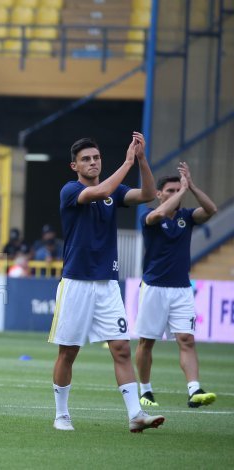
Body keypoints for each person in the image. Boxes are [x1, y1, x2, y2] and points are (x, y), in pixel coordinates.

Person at [49, 133, 165, 433]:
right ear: (74, 165)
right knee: (68, 352)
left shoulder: (115, 190)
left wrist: (141, 160)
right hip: (76, 283)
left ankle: (136, 415)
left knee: (121, 348)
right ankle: (61, 414)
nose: (92, 162)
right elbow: (100, 191)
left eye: (96, 157)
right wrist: (127, 161)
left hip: (108, 283)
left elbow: (150, 194)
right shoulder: (70, 190)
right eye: (86, 159)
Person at [135, 163, 217, 408]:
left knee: (187, 339)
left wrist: (190, 186)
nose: (174, 194)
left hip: (181, 289)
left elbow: (211, 209)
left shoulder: (187, 217)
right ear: (159, 194)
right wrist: (182, 192)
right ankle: (145, 390)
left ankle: (194, 390)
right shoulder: (148, 214)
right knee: (146, 342)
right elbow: (158, 215)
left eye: (176, 190)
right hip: (154, 288)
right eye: (169, 191)